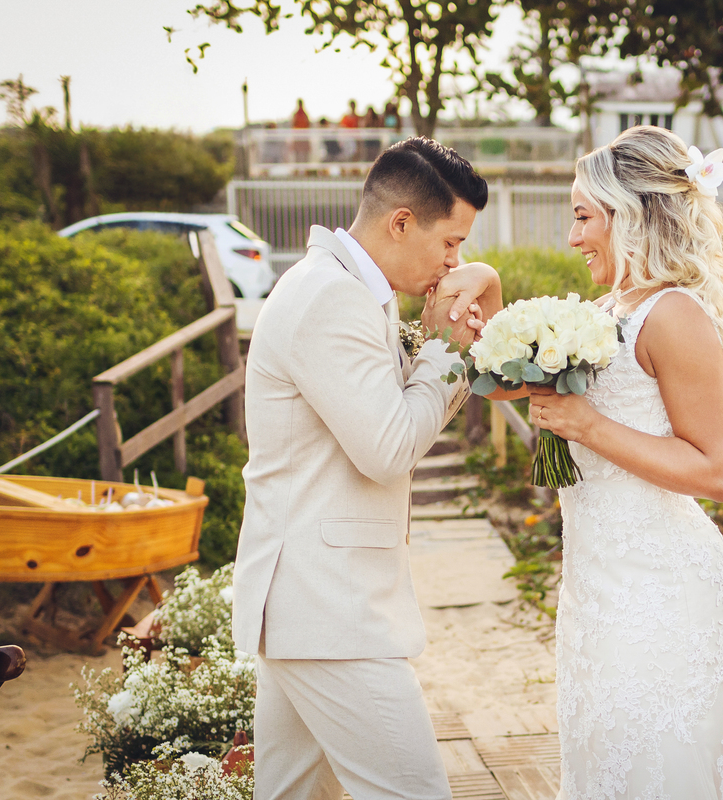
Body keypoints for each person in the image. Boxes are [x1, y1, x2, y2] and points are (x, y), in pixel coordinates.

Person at [493, 126, 723, 798]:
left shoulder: (673, 315)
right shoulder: (599, 314)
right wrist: (475, 306)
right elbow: (508, 378)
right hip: (594, 589)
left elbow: (719, 472)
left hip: (658, 588)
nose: (572, 236)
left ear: (633, 216)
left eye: (583, 216)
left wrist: (585, 425)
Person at [232, 136, 503, 800]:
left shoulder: (346, 288)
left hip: (308, 605)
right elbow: (386, 448)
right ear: (401, 222)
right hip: (331, 609)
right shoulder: (332, 298)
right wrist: (445, 352)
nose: (454, 261)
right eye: (450, 243)